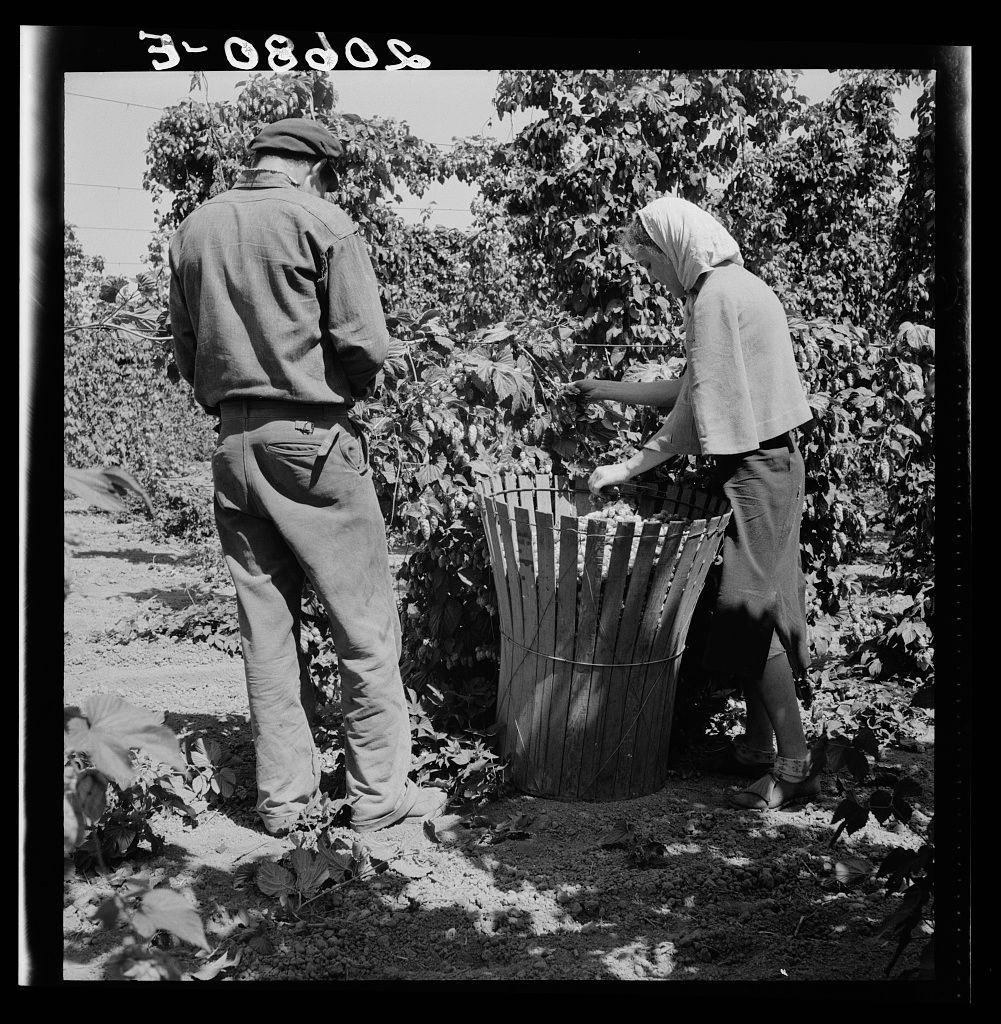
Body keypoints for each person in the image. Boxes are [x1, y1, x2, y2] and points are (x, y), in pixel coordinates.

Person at [168, 117, 446, 835]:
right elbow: (365, 342)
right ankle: (379, 794)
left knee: (266, 628)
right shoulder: (323, 221)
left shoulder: (195, 227)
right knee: (362, 623)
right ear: (313, 168)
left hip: (235, 441)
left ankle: (285, 801)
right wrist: (339, 397)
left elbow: (186, 346)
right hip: (313, 441)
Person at [569, 194, 819, 810]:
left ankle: (794, 765)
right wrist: (609, 389)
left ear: (673, 247)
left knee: (747, 613)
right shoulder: (744, 287)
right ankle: (761, 748)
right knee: (766, 602)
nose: (653, 278)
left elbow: (693, 411)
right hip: (778, 463)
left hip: (755, 471)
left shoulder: (710, 298)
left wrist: (625, 467)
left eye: (651, 264)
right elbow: (696, 386)